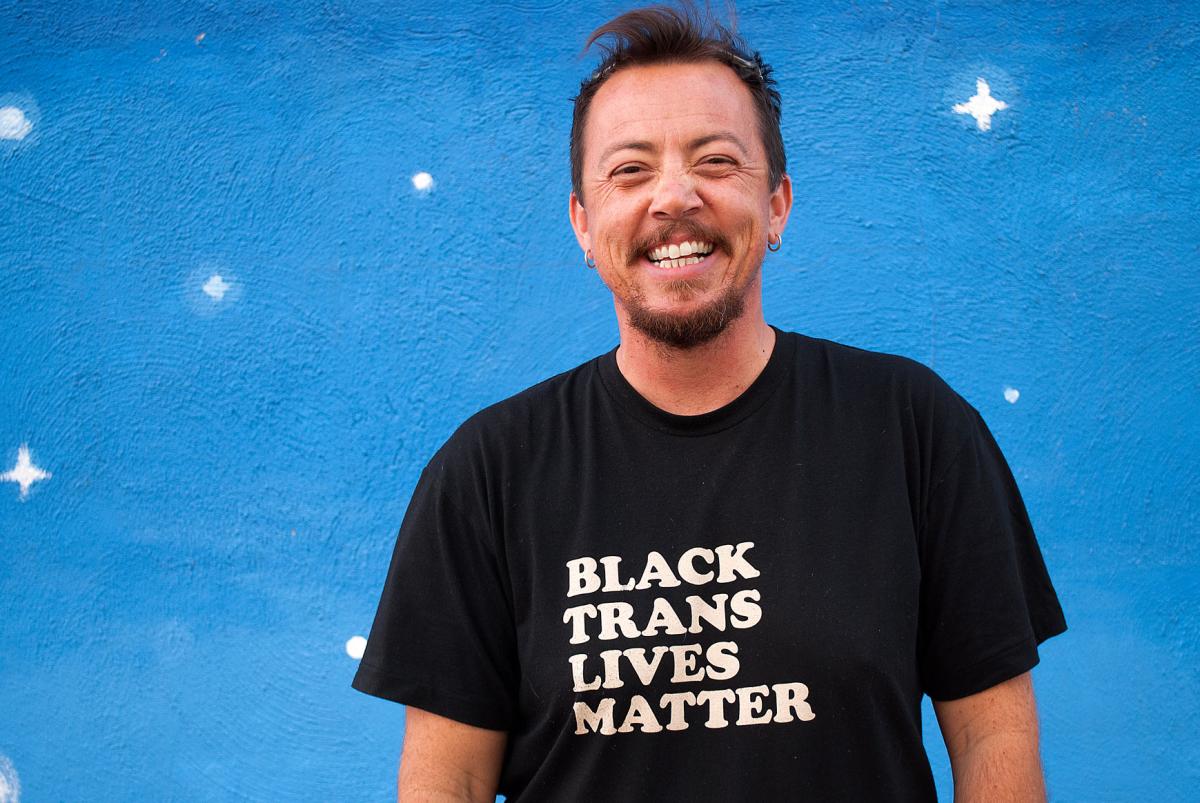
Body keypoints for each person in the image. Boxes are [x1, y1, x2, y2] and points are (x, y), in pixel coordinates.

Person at [352, 4, 1067, 801]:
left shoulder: (915, 429)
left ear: (777, 206)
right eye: (629, 170)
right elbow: (443, 782)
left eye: (717, 161)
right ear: (583, 224)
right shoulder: (487, 473)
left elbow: (993, 739)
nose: (674, 196)